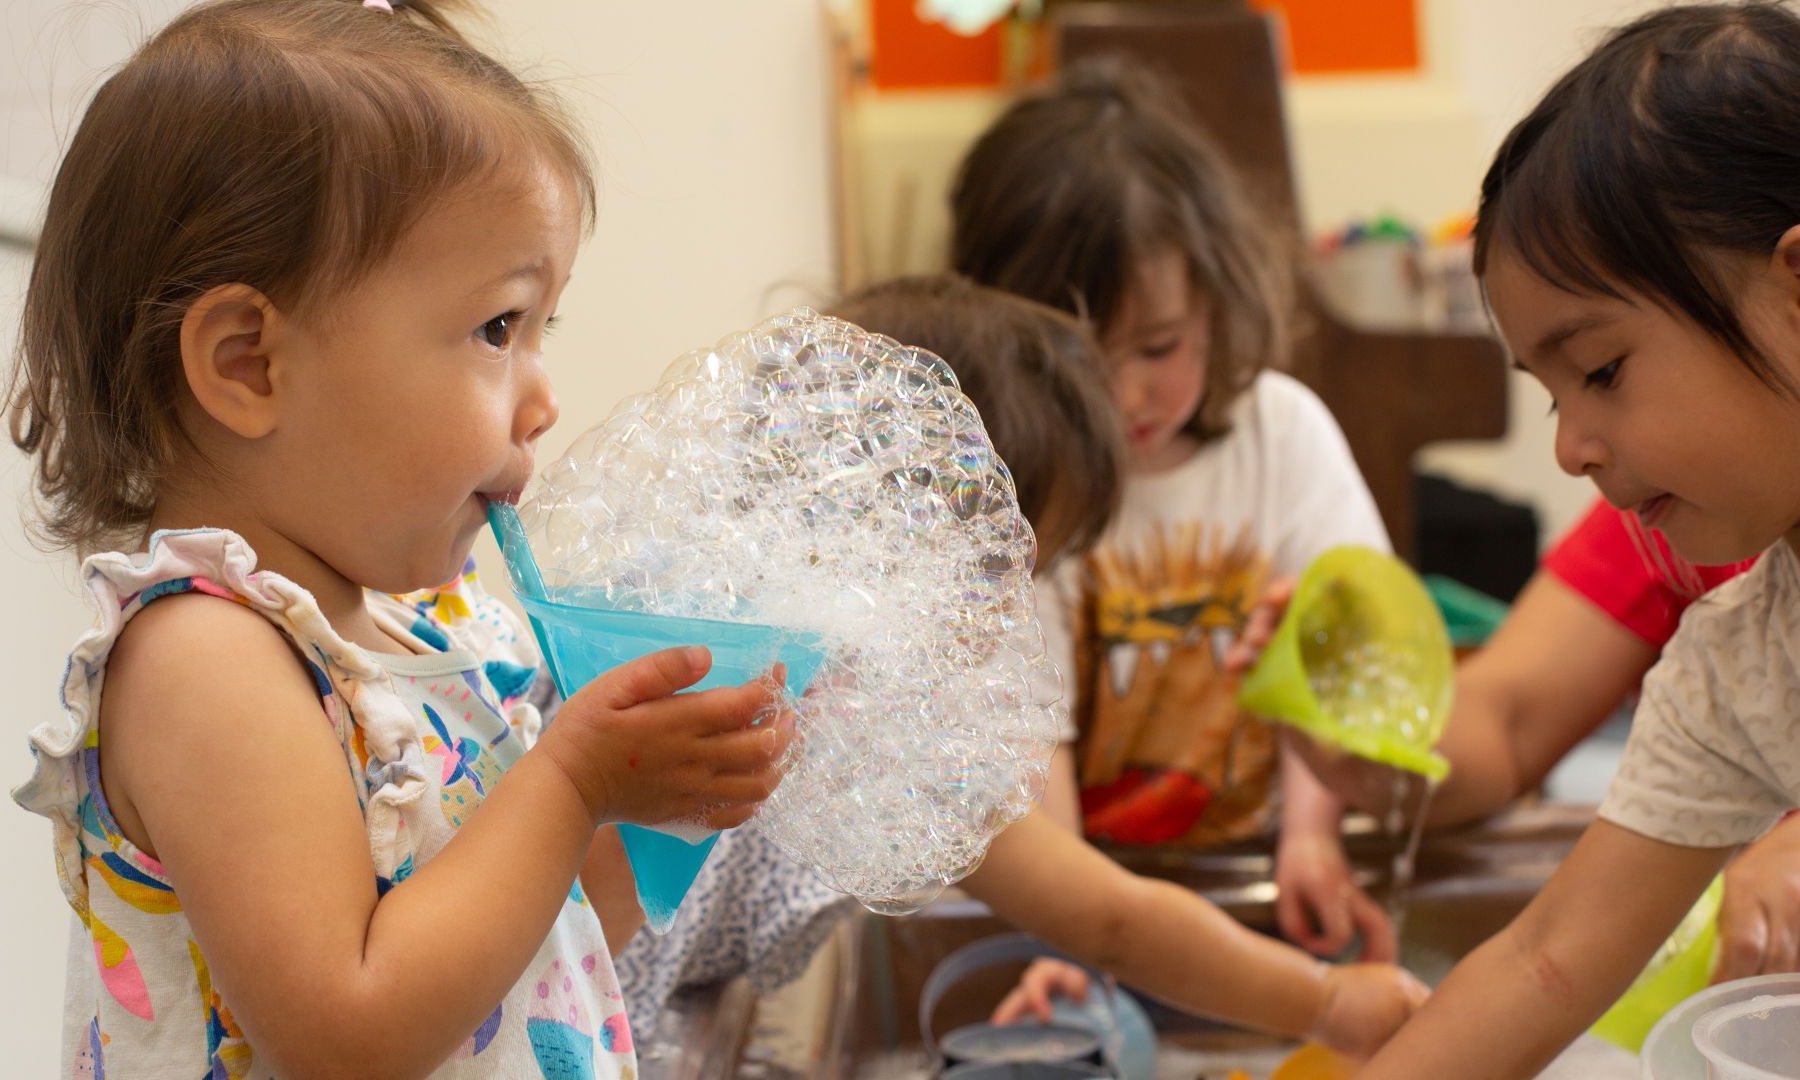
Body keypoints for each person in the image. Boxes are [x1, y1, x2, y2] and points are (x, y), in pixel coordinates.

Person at [7, 1, 794, 1075]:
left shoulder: (442, 629)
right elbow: (352, 1028)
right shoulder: (209, 662)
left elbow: (549, 946)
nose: (544, 396)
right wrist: (570, 787)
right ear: (250, 364)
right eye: (498, 328)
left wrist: (660, 796)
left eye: (538, 330)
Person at [613, 275, 1427, 1061]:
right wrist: (1324, 1002)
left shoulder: (754, 673)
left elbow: (1109, 919)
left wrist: (1322, 1001)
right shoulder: (800, 714)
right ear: (889, 528)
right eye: (1003, 574)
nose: (1009, 621)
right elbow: (1113, 920)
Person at [1353, 4, 1800, 1076]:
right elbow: (1548, 962)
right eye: (1550, 395)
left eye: (1599, 371)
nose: (1570, 451)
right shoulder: (1737, 668)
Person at [951, 56, 1397, 961]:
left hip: (1261, 864)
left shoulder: (1285, 435)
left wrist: (1311, 833)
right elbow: (1037, 746)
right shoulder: (1015, 492)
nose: (1125, 396)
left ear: (1216, 302)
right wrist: (1070, 940)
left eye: (1159, 346)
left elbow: (1343, 661)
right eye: (1079, 356)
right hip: (1084, 884)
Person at [1290, 496, 1800, 981]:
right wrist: (1359, 725)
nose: (1568, 451)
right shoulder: (1666, 519)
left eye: (1605, 396)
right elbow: (1509, 719)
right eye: (1558, 408)